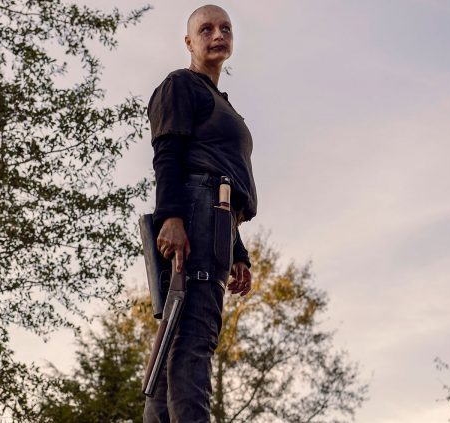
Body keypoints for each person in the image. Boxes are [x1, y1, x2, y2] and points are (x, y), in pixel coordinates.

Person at [143, 4, 257, 422]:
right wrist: (171, 218)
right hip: (196, 215)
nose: (218, 34)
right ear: (189, 42)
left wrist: (237, 251)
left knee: (177, 339)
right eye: (206, 29)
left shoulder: (220, 102)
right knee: (194, 336)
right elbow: (168, 156)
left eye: (225, 28)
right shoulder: (181, 85)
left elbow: (224, 175)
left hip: (218, 220)